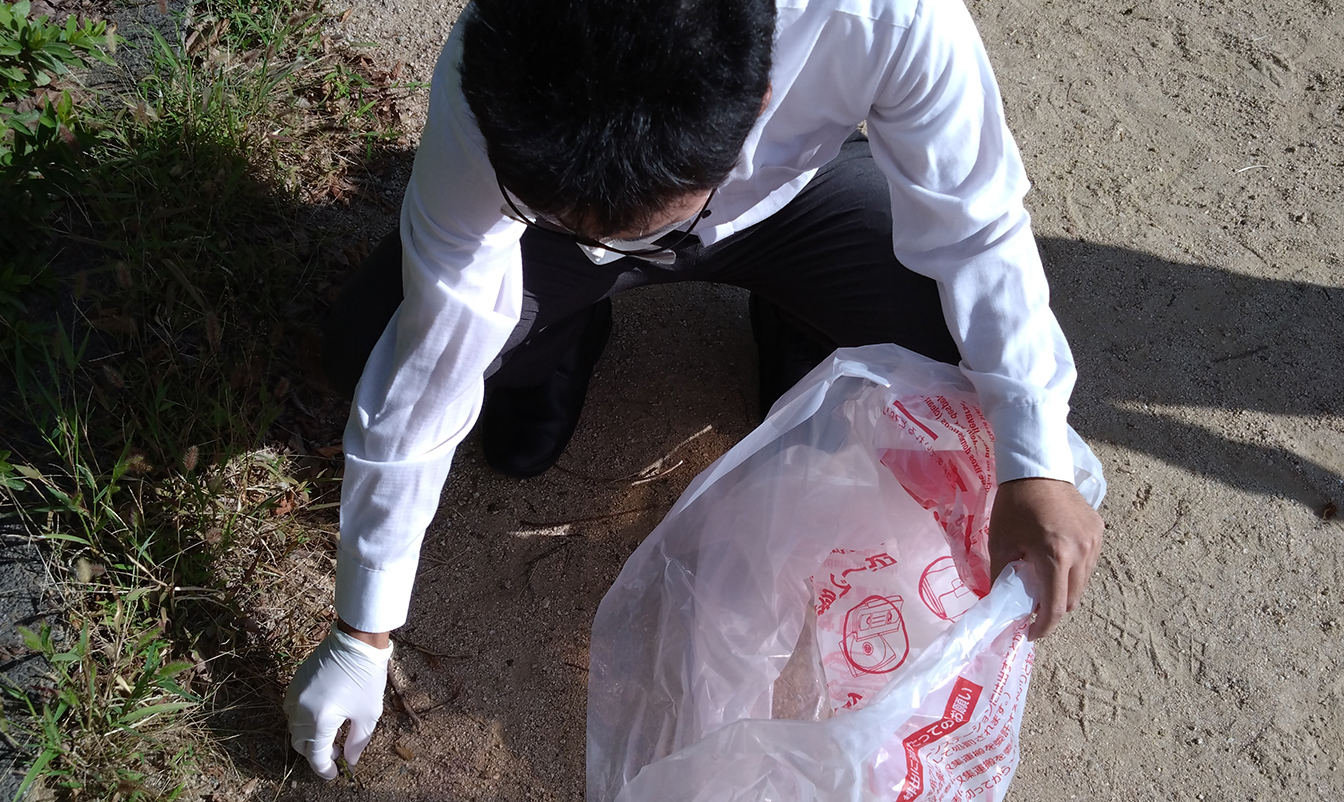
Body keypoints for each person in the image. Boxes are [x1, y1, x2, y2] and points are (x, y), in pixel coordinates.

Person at [283, 0, 1105, 781]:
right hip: (559, 242)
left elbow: (977, 228)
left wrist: (1033, 459)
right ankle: (564, 332)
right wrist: (363, 630)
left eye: (636, 218)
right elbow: (434, 344)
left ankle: (800, 326)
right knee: (369, 346)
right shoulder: (497, 66)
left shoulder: (881, 17)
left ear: (761, 97)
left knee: (951, 341)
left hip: (795, 195)